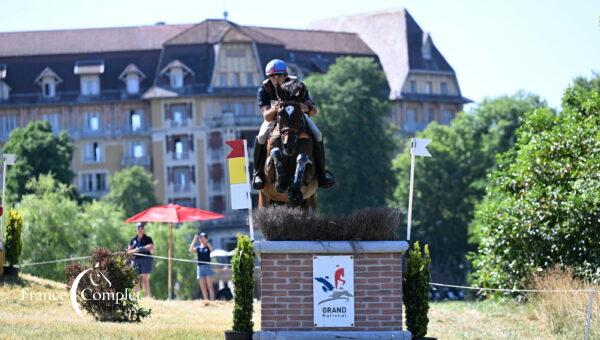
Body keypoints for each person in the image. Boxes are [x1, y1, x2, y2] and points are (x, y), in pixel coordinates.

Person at [251, 58, 335, 190]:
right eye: (273, 76)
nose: (276, 79)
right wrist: (276, 108)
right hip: (275, 119)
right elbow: (267, 116)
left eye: (279, 75)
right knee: (261, 136)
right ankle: (257, 173)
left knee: (318, 135)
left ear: (285, 75)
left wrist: (304, 107)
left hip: (297, 119)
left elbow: (314, 111)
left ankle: (322, 174)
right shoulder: (264, 90)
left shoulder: (297, 86)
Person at [127, 222, 154, 298]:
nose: (140, 229)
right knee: (135, 280)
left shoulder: (148, 239)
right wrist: (135, 250)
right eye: (138, 228)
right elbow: (128, 251)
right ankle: (137, 297)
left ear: (143, 229)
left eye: (141, 228)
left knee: (145, 279)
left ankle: (146, 297)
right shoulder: (133, 240)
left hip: (146, 260)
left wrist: (138, 249)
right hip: (135, 260)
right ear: (136, 229)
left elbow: (151, 247)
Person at [189, 232, 215, 300]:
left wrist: (207, 242)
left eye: (203, 238)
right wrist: (194, 239)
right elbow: (190, 250)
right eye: (201, 238)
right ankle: (206, 301)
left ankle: (212, 301)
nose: (202, 239)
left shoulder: (208, 247)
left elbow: (212, 250)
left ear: (206, 238)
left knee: (210, 286)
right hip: (200, 268)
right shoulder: (198, 248)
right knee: (203, 287)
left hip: (207, 267)